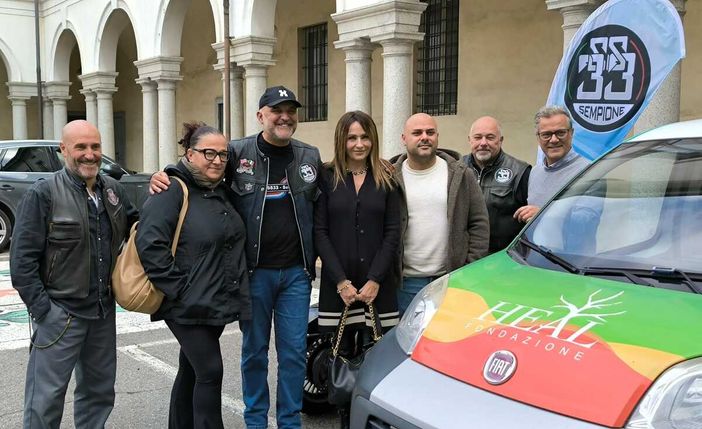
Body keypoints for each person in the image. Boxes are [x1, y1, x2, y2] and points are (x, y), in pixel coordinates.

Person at [150, 86, 321, 429]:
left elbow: (330, 195)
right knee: (254, 352)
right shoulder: (237, 152)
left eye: (290, 111)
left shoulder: (310, 155)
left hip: (296, 275)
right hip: (253, 273)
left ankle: (289, 422)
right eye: (276, 111)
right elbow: (200, 172)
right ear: (261, 116)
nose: (284, 117)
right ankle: (255, 421)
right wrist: (166, 173)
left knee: (292, 354)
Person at [10, 120, 138, 429]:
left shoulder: (113, 190)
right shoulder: (44, 193)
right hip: (61, 313)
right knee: (45, 400)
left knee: (99, 393)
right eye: (80, 147)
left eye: (95, 146)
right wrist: (44, 310)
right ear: (63, 150)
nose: (89, 154)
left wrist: (165, 183)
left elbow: (140, 226)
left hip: (102, 312)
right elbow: (22, 260)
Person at [136, 122, 250, 428]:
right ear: (190, 154)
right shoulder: (171, 189)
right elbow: (150, 244)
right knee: (210, 372)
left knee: (191, 370)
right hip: (186, 305)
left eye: (223, 155)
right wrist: (180, 289)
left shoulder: (220, 190)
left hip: (212, 301)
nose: (217, 160)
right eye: (208, 153)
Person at [314, 111, 401, 428]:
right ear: (342, 140)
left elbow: (392, 232)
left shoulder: (387, 178)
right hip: (340, 287)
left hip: (378, 286)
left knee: (376, 357)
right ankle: (344, 420)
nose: (359, 144)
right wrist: (340, 281)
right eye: (352, 137)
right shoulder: (326, 178)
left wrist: (376, 279)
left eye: (365, 137)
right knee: (342, 358)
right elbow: (320, 232)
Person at [392, 113, 489, 315]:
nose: (424, 137)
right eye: (417, 133)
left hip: (450, 280)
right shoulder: (390, 177)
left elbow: (479, 223)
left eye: (430, 132)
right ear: (404, 138)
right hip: (405, 284)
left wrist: (468, 269)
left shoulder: (461, 174)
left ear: (437, 136)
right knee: (407, 335)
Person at [462, 116, 531, 254]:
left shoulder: (520, 172)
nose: (483, 143)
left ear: (500, 140)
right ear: (470, 140)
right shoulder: (457, 169)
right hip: (466, 257)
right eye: (477, 137)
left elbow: (530, 219)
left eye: (490, 137)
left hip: (503, 257)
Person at [514, 105, 589, 223]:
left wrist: (543, 215)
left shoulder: (588, 171)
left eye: (560, 133)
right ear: (538, 138)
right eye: (546, 135)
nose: (554, 140)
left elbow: (588, 220)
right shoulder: (535, 172)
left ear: (571, 133)